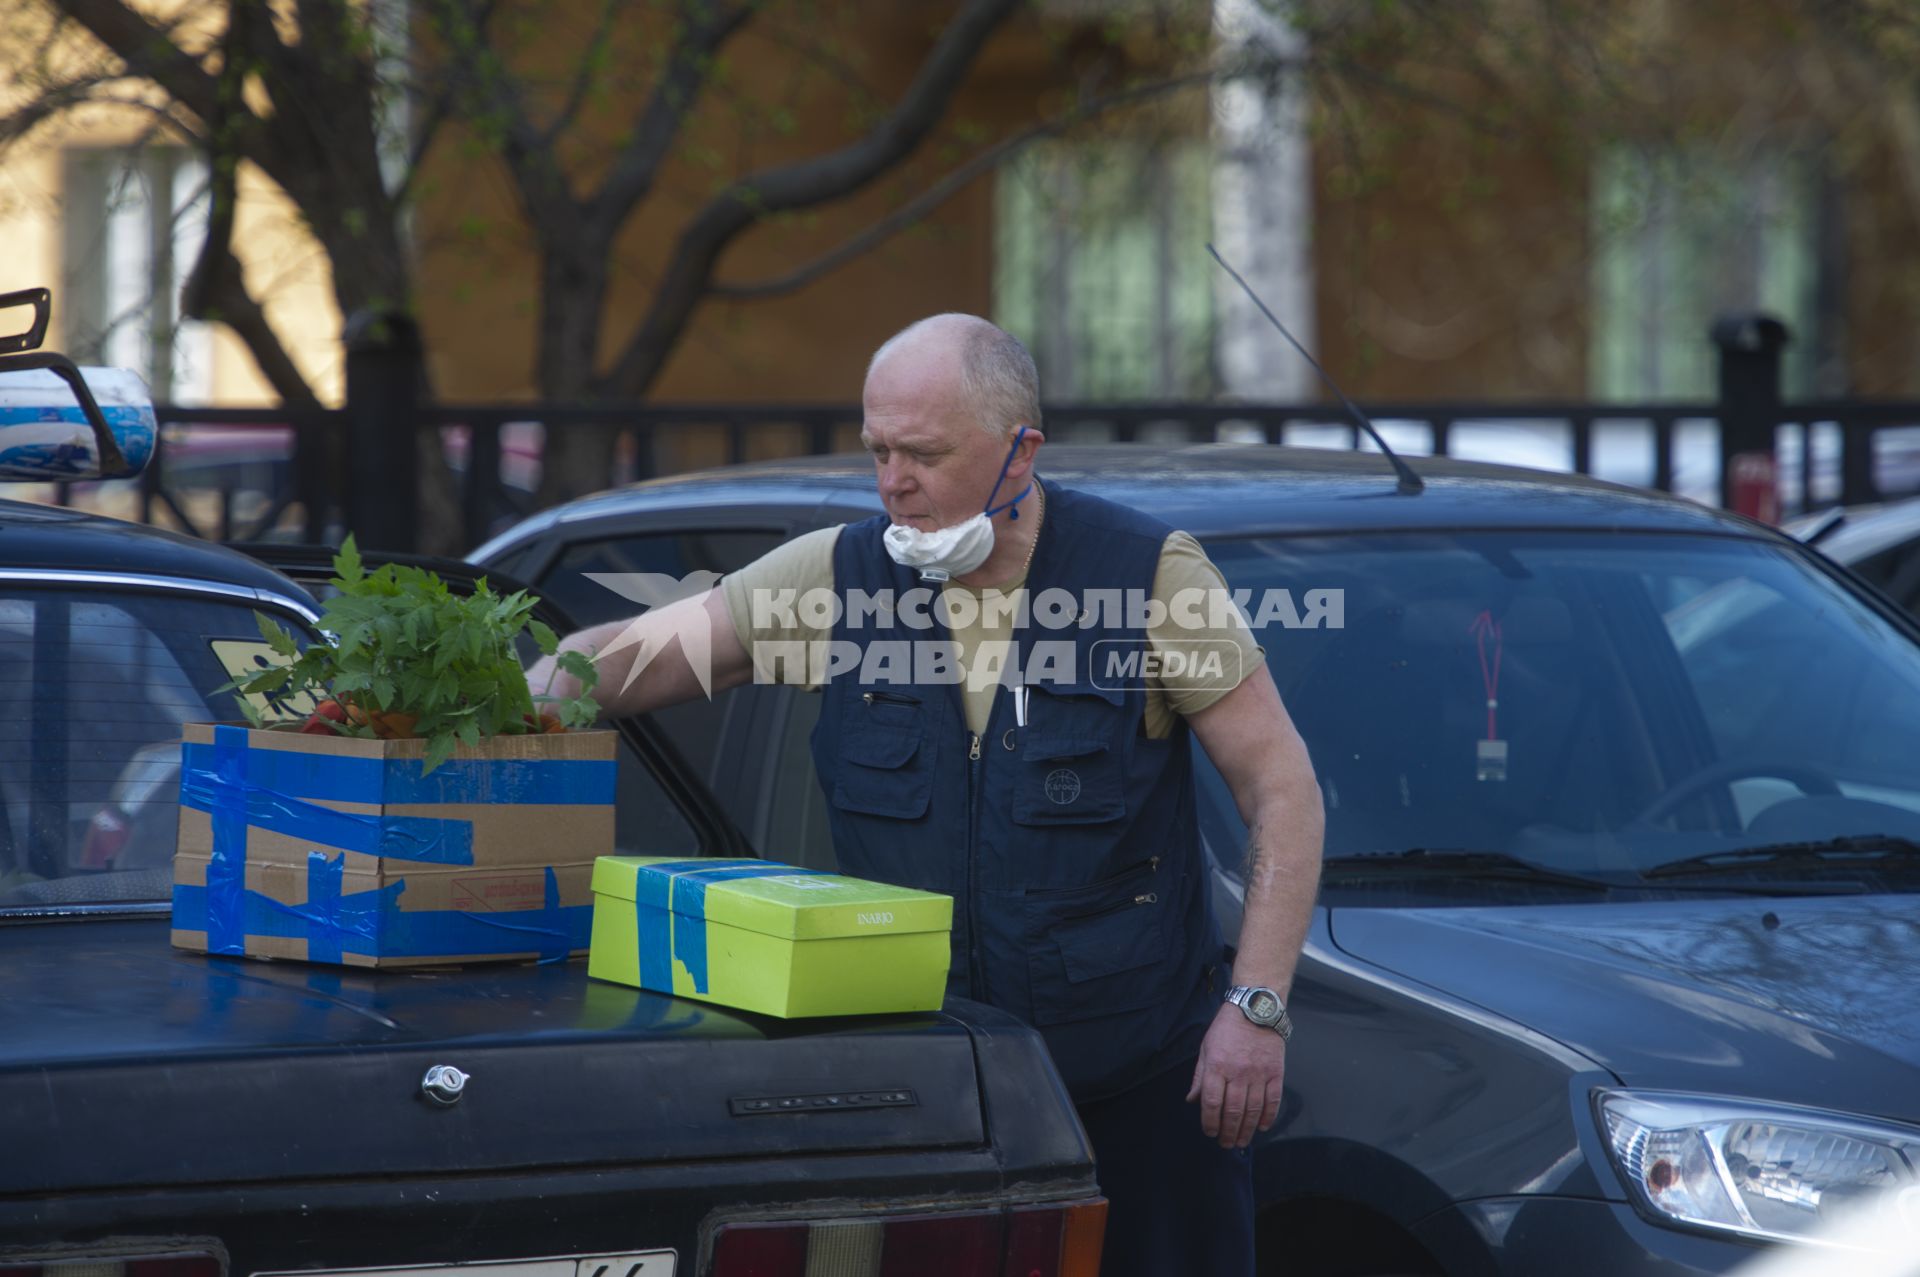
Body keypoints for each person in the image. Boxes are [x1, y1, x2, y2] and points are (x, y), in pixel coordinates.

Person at [529, 314, 1323, 1276]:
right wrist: (438, 703)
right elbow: (622, 662)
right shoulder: (839, 574)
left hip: (1130, 1092)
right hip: (918, 1098)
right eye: (878, 451)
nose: (893, 480)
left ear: (1020, 449)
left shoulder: (1147, 576)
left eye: (925, 453)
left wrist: (1257, 1005)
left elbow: (1282, 788)